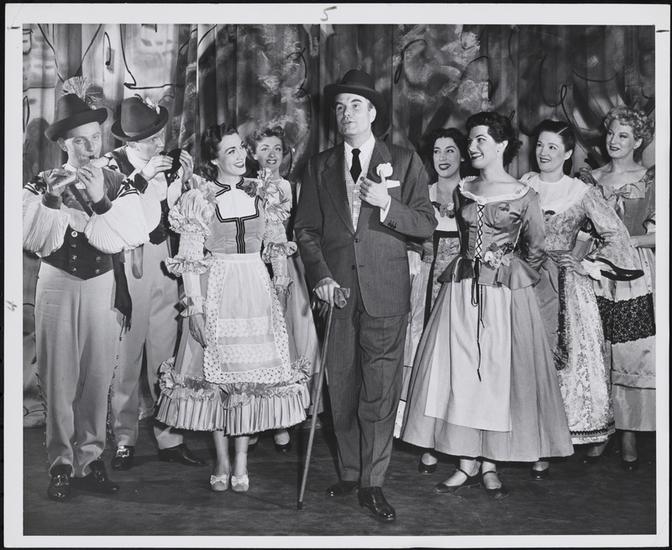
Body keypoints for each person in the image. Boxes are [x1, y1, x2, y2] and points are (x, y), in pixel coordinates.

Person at [400, 111, 574, 499]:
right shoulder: (464, 189)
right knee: (461, 372)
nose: (473, 146)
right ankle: (466, 461)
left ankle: (491, 463)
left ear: (501, 145)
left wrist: (504, 270)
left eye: (481, 140)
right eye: (472, 140)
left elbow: (535, 250)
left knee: (497, 375)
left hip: (504, 297)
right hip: (461, 292)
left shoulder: (524, 195)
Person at [294, 69, 436, 522]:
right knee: (342, 387)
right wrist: (320, 276)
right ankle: (352, 472)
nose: (346, 113)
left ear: (373, 113)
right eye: (340, 107)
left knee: (379, 390)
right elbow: (306, 230)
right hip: (337, 293)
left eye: (356, 105)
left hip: (386, 292)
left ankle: (373, 483)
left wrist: (387, 205)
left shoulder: (405, 161)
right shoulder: (318, 165)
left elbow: (425, 223)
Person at [155, 124, 310, 493]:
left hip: (256, 290)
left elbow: (276, 244)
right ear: (214, 159)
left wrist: (281, 286)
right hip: (217, 288)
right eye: (230, 151)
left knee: (249, 380)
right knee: (217, 382)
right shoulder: (200, 197)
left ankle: (241, 459)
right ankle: (222, 459)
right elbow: (190, 258)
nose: (240, 156)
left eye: (241, 148)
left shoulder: (265, 191)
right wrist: (194, 309)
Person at [22, 90, 149, 501]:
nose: (91, 147)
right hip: (56, 282)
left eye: (95, 137)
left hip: (100, 283)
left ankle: (91, 459)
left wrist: (100, 200)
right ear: (64, 144)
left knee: (97, 375)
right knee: (58, 377)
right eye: (80, 140)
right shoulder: (42, 183)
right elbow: (34, 241)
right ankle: (61, 464)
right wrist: (51, 198)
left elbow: (130, 236)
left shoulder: (117, 181)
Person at [520, 119, 643, 478]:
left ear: (568, 153)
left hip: (564, 287)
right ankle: (524, 438)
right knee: (524, 358)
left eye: (552, 147)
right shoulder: (524, 185)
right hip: (523, 281)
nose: (544, 153)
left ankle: (547, 444)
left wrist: (586, 263)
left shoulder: (581, 191)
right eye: (540, 145)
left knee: (560, 363)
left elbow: (616, 235)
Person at [104, 95, 205, 470]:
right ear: (130, 141)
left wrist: (185, 181)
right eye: (149, 139)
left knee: (165, 354)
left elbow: (180, 216)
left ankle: (169, 437)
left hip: (164, 263)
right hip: (128, 266)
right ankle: (124, 439)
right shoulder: (112, 166)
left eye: (159, 135)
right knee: (126, 358)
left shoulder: (169, 164)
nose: (158, 144)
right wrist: (144, 177)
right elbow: (107, 210)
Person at [579, 106, 656, 471]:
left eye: (623, 135)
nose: (613, 140)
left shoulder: (651, 179)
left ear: (638, 141)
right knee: (596, 347)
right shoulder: (589, 179)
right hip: (595, 270)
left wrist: (626, 242)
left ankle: (629, 431)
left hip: (634, 273)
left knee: (630, 353)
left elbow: (660, 233)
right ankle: (601, 429)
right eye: (611, 133)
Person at [245, 125, 322, 454]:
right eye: (264, 148)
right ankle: (252, 418)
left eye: (277, 148)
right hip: (252, 269)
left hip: (285, 269)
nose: (271, 154)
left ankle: (281, 422)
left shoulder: (291, 187)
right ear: (253, 154)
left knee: (287, 342)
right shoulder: (246, 187)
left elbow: (299, 230)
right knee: (254, 344)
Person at [402, 128, 471, 474]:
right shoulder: (422, 194)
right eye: (437, 151)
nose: (442, 158)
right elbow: (406, 237)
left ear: (463, 155)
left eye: (450, 151)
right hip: (426, 285)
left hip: (461, 287)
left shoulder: (473, 193)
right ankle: (427, 439)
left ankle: (459, 440)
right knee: (425, 358)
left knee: (457, 360)